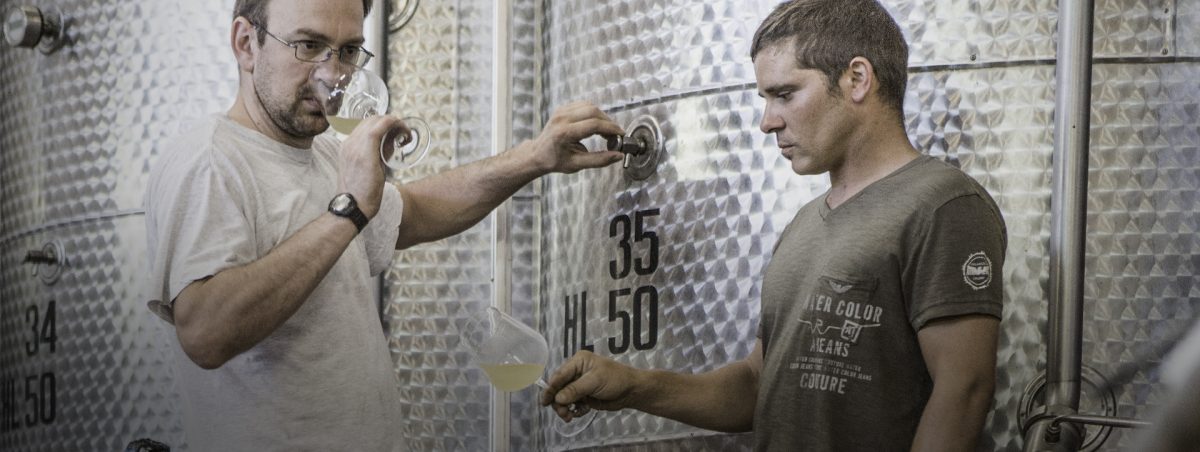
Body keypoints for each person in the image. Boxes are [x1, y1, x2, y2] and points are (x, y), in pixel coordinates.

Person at [142, 0, 623, 449]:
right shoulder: (211, 161)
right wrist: (349, 209)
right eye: (308, 46)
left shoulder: (329, 154)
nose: (333, 75)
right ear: (246, 44)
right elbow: (205, 332)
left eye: (349, 51)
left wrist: (533, 157)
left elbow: (411, 213)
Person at [541, 1, 1006, 450]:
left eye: (784, 94)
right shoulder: (804, 225)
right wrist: (633, 386)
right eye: (764, 98)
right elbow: (758, 386)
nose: (767, 122)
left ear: (857, 79)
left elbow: (963, 390)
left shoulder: (942, 205)